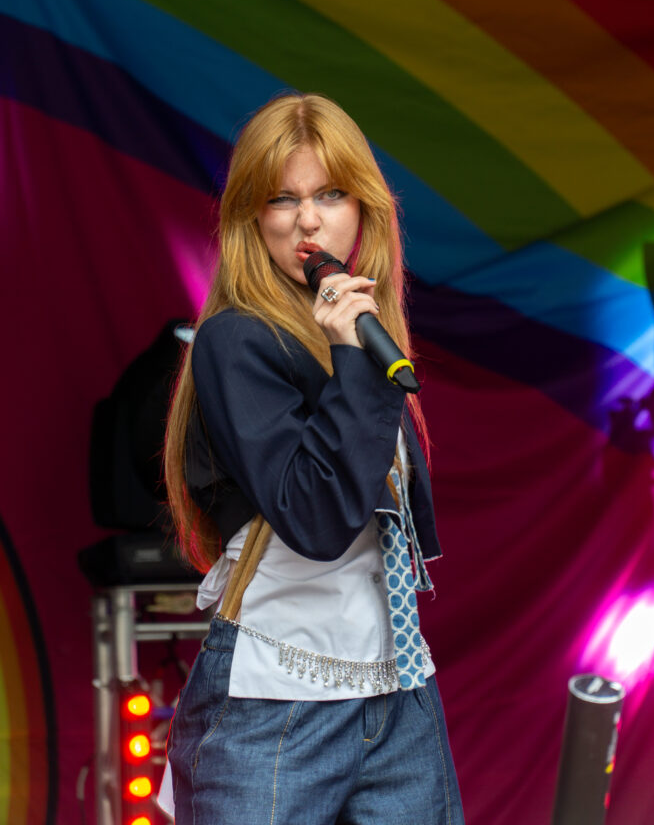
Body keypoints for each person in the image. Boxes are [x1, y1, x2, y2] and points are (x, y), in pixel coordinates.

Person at [162, 93, 465, 824]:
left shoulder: (354, 333)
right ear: (251, 217)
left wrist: (354, 352)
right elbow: (318, 520)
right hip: (275, 701)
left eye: (330, 194)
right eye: (282, 199)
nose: (308, 221)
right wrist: (351, 360)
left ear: (362, 209)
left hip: (397, 693)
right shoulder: (237, 339)